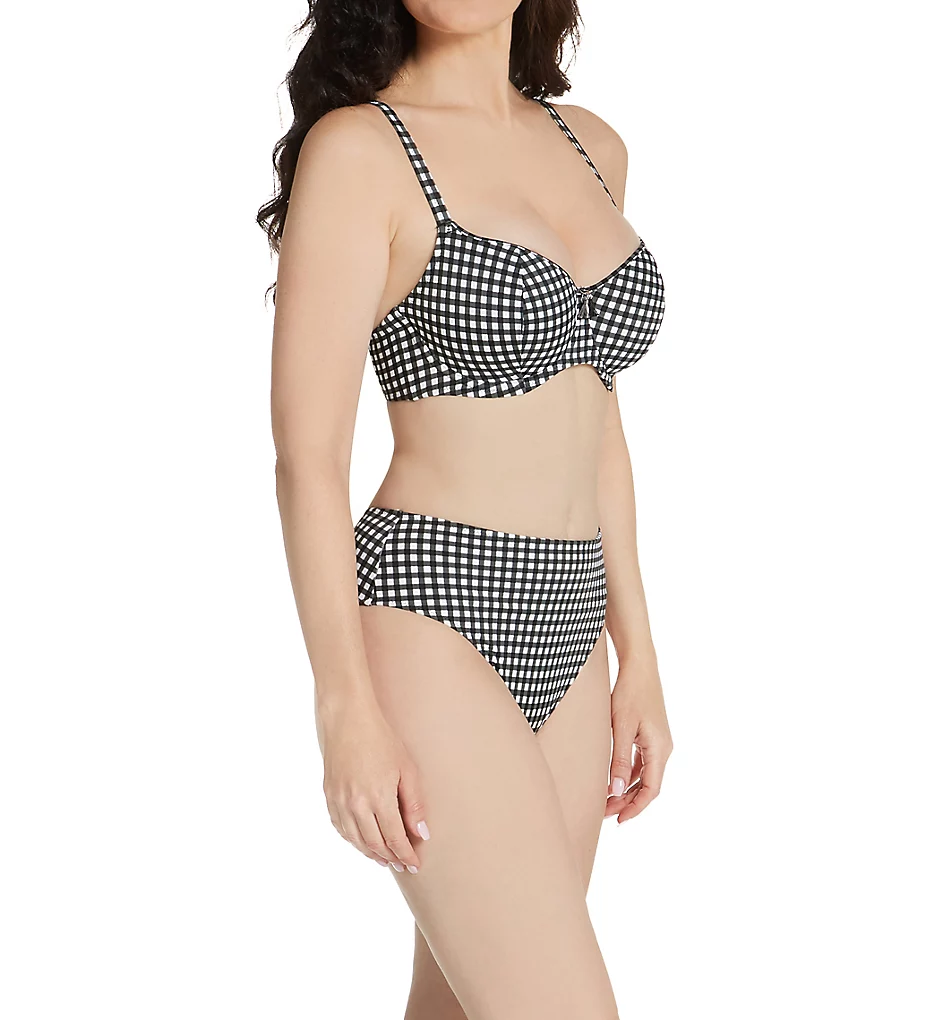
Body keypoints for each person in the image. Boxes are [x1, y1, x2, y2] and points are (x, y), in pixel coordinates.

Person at [258, 1, 673, 1017]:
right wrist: (343, 708)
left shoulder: (593, 147)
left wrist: (638, 653)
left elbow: (599, 425)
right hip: (430, 609)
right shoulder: (361, 150)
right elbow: (308, 458)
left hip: (572, 622)